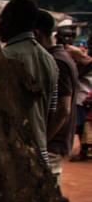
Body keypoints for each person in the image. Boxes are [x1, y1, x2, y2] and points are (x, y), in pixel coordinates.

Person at [0, 0, 57, 166]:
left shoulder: (4, 57)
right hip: (40, 151)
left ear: (8, 21)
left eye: (0, 21)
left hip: (11, 153)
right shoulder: (50, 60)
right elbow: (53, 110)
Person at [35, 12, 77, 186]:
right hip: (53, 139)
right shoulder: (59, 58)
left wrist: (42, 141)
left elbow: (63, 109)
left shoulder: (57, 61)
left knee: (48, 191)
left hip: (52, 141)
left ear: (36, 34)